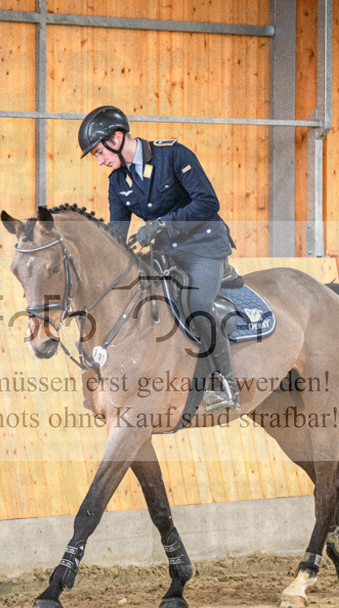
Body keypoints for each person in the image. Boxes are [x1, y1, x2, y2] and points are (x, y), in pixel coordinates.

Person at [78, 105, 239, 413]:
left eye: (100, 152)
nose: (100, 161)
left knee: (196, 306)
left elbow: (208, 202)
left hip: (203, 247)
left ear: (116, 138)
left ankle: (225, 383)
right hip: (166, 252)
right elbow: (117, 232)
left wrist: (161, 224)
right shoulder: (118, 182)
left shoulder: (173, 156)